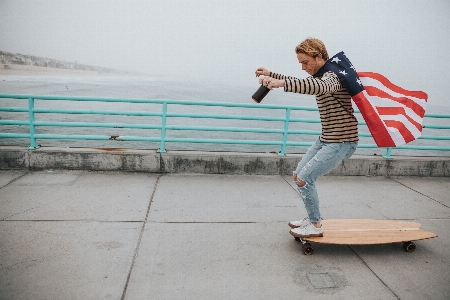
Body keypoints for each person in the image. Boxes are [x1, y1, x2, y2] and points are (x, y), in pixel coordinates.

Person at [255, 38, 359, 238]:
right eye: (300, 63)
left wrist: (281, 83)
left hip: (342, 141)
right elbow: (307, 83)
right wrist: (271, 75)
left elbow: (317, 87)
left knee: (305, 178)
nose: (303, 67)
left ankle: (315, 224)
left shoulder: (333, 76)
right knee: (298, 175)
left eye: (305, 62)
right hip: (327, 138)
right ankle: (312, 218)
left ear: (319, 57)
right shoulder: (321, 74)